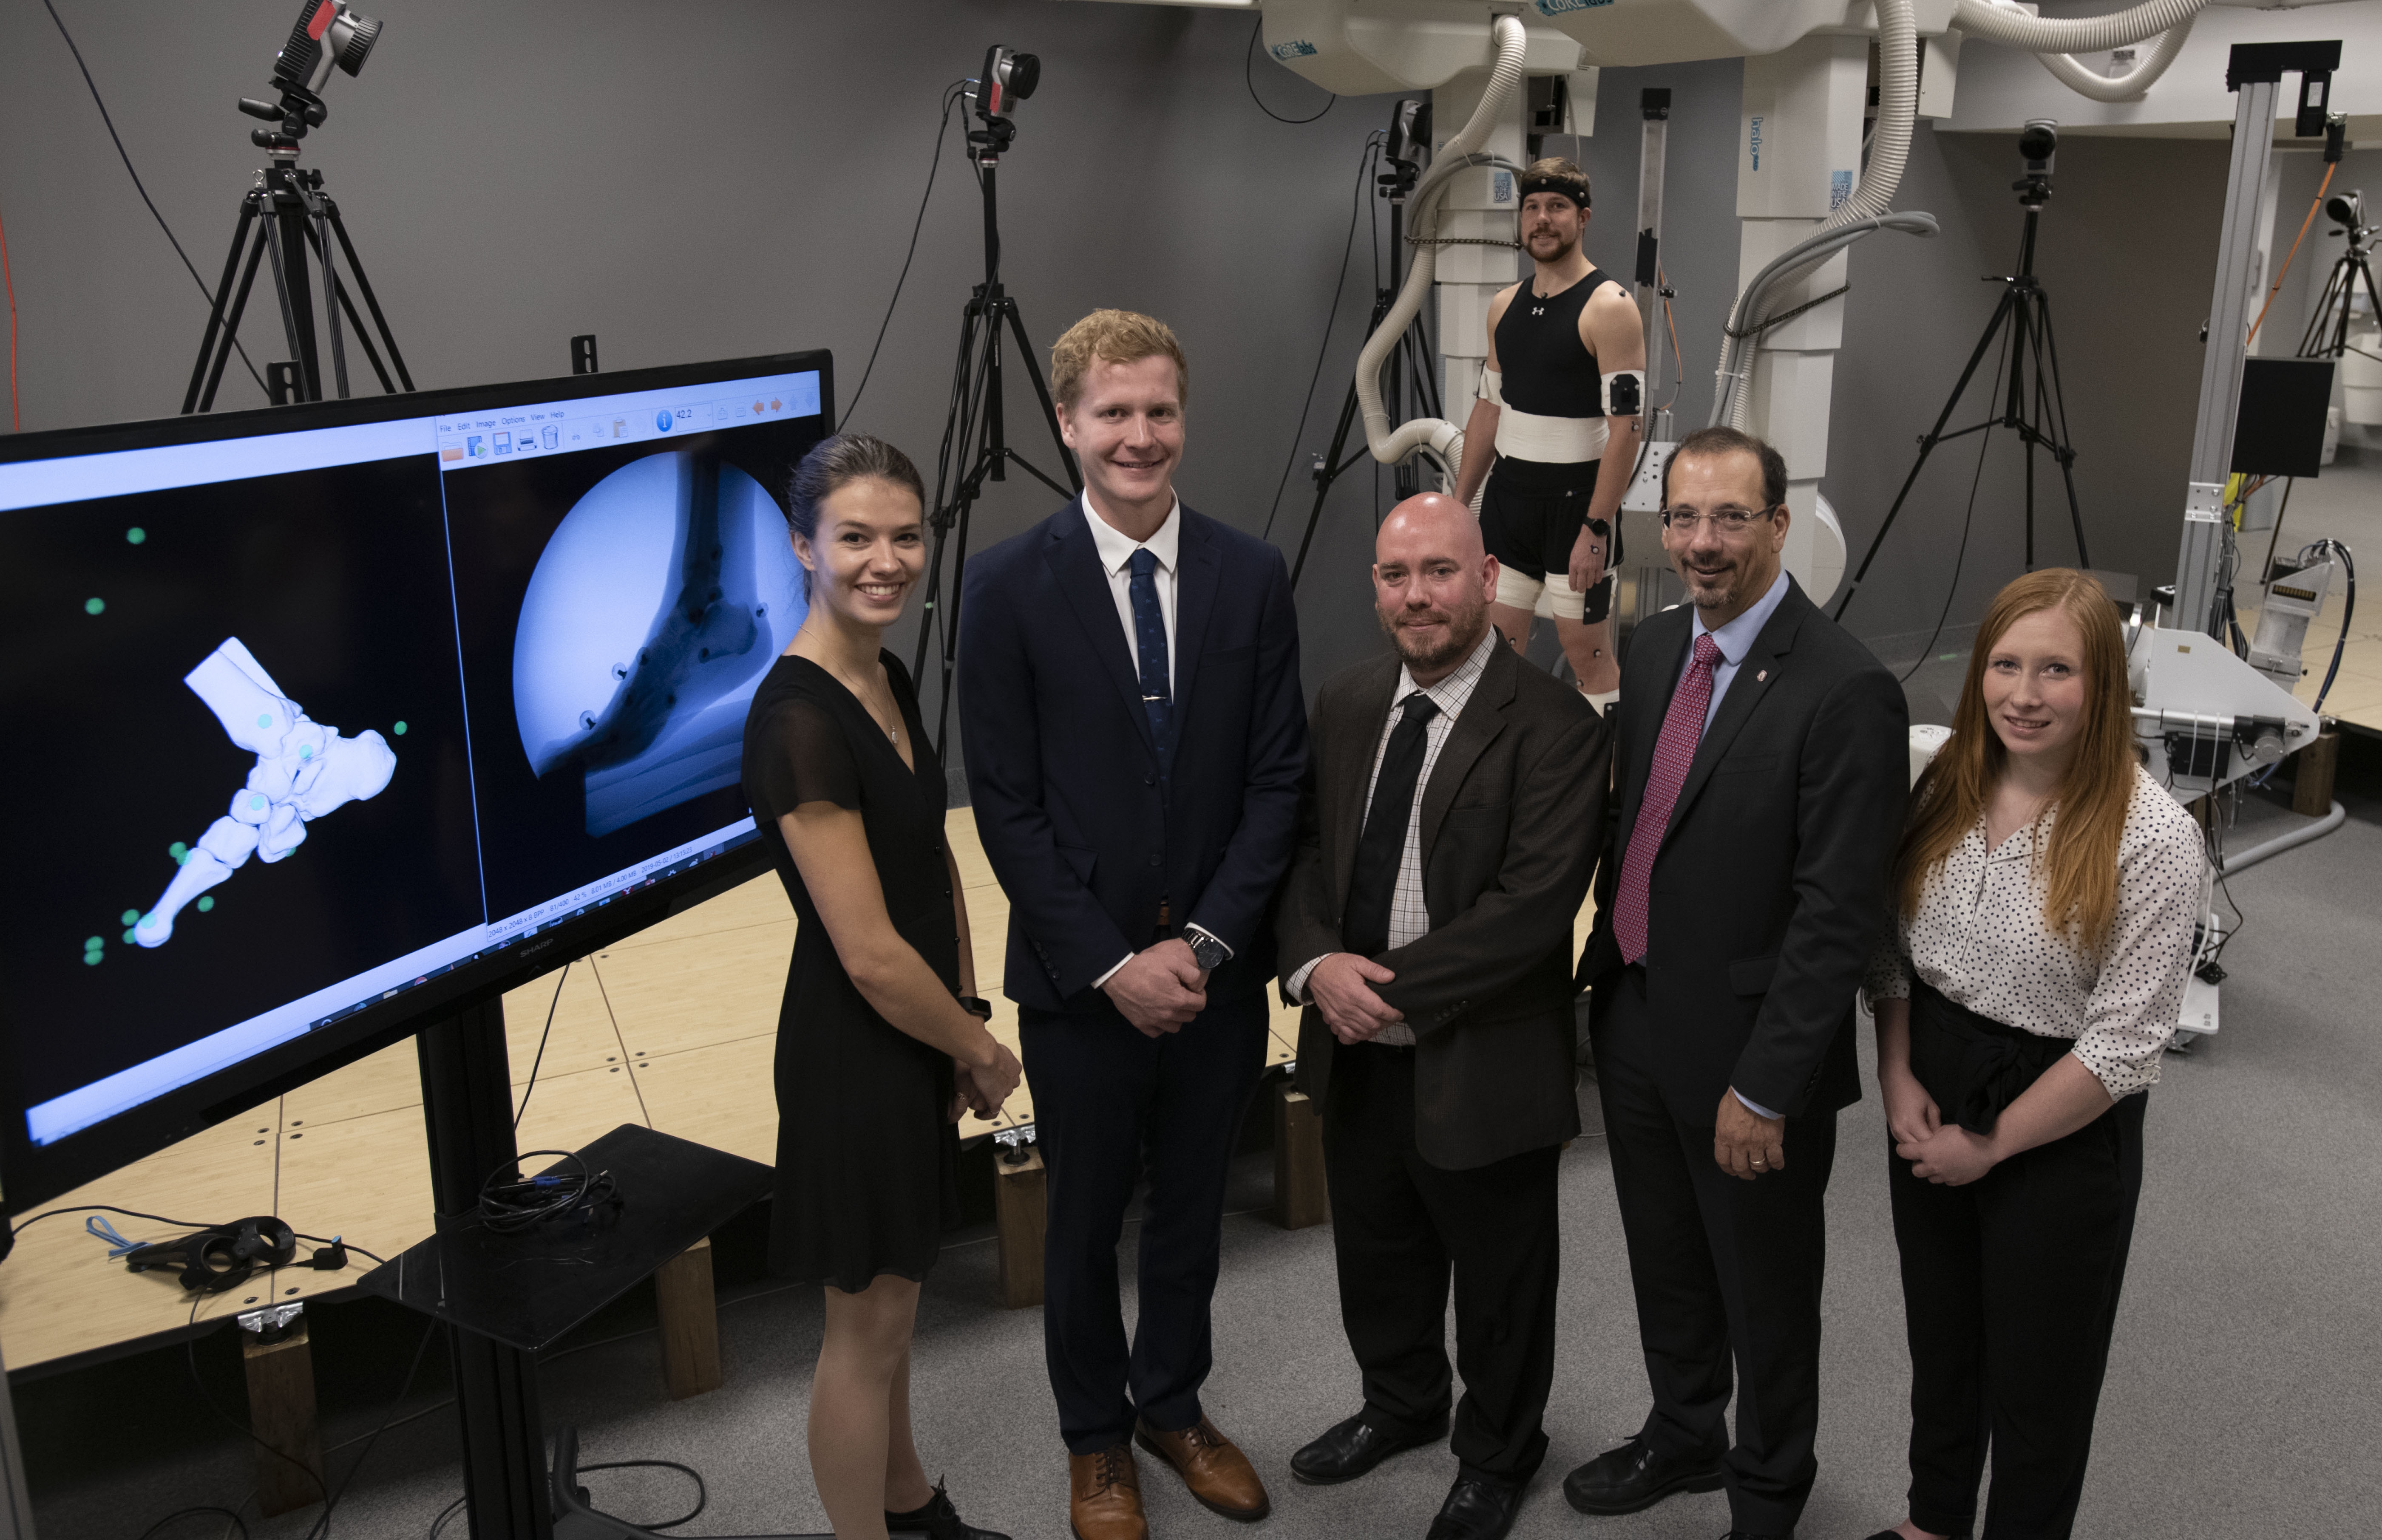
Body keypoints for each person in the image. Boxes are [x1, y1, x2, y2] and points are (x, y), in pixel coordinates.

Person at [957, 309, 1307, 1540]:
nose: (1139, 435)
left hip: (1216, 979)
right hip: (1080, 981)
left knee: (1193, 1213)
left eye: (1159, 410)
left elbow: (1277, 782)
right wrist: (1113, 964)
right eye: (1113, 412)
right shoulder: (1005, 585)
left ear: (1182, 417)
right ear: (1067, 423)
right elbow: (1003, 806)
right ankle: (1093, 1441)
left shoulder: (1251, 575)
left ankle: (1171, 1406)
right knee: (1083, 1222)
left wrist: (1202, 948)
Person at [1567, 426, 1908, 1540]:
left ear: (1779, 525)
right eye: (1682, 517)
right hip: (1634, 1006)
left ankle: (1766, 1493)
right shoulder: (1659, 645)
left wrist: (1766, 1085)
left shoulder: (1847, 688)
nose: (1702, 542)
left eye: (1730, 517)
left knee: (1763, 1290)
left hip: (1750, 1053)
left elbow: (1837, 914)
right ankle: (1683, 1434)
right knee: (1665, 1256)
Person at [1274, 493, 1608, 1540]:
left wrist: (1375, 990)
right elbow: (1304, 854)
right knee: (1377, 1249)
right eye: (1396, 575)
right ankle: (1401, 1402)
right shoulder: (1346, 701)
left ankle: (1500, 1452)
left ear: (1487, 576)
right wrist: (1315, 965)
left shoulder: (1554, 726)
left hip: (1481, 1054)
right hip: (1356, 1050)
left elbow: (1533, 909)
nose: (1417, 596)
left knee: (1502, 1275)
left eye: (1439, 571)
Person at [1860, 570, 2204, 1540]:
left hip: (2063, 1108)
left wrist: (1990, 1145)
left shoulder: (2155, 838)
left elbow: (2125, 1045)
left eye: (2057, 670)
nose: (2024, 694)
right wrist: (1895, 1072)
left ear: (2104, 686)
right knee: (1944, 1337)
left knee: (2042, 1377)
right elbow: (1889, 943)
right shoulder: (1947, 780)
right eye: (2006, 665)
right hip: (1932, 1067)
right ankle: (1934, 1523)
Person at [739, 433, 1023, 1540]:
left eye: (906, 537)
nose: (886, 561)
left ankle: (908, 1507)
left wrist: (966, 1014)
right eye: (855, 538)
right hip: (854, 1054)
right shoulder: (799, 722)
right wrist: (979, 1050)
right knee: (862, 1336)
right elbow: (865, 951)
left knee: (897, 1313)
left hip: (914, 1032)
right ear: (802, 546)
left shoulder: (884, 672)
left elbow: (929, 859)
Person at [1449, 157, 1645, 711]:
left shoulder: (1610, 307)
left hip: (1576, 510)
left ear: (1583, 217)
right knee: (1494, 652)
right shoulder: (1503, 307)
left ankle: (1604, 764)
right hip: (1509, 505)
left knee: (1588, 656)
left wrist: (1596, 527)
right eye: (1532, 207)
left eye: (1557, 207)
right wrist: (1458, 508)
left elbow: (1627, 429)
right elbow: (1488, 410)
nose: (1542, 219)